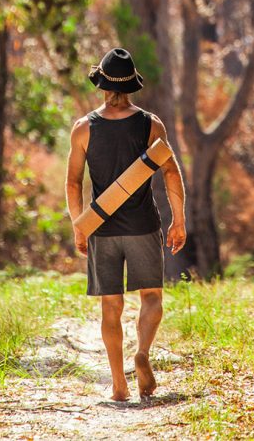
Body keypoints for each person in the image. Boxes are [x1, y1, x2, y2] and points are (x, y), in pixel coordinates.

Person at [65, 47, 186, 401]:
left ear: (101, 84)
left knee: (111, 306)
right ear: (132, 85)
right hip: (143, 226)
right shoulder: (151, 123)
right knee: (151, 297)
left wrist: (79, 224)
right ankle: (143, 353)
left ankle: (119, 384)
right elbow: (170, 170)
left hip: (102, 227)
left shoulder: (83, 129)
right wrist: (179, 220)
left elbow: (73, 182)